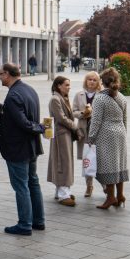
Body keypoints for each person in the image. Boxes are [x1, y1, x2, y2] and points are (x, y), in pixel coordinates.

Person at [0, 65, 47, 235]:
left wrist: (39, 128)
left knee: (21, 186)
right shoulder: (29, 90)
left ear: (8, 74)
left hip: (18, 148)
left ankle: (25, 224)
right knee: (33, 182)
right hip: (32, 147)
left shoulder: (13, 95)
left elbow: (23, 123)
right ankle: (38, 221)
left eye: (1, 73)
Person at [87, 68, 130, 211]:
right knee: (119, 164)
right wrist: (123, 133)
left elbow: (96, 121)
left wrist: (91, 138)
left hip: (106, 135)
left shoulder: (100, 98)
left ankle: (111, 197)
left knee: (108, 165)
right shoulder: (122, 97)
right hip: (121, 133)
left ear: (102, 82)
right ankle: (121, 195)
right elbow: (125, 119)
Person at [46, 75, 81, 206]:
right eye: (66, 85)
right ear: (58, 86)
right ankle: (63, 194)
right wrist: (75, 126)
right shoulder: (56, 99)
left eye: (69, 85)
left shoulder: (61, 98)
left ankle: (61, 191)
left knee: (63, 162)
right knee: (63, 162)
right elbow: (61, 118)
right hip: (61, 135)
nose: (69, 87)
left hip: (64, 134)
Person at [72, 72, 99, 198]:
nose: (92, 82)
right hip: (83, 131)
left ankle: (105, 186)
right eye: (89, 79)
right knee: (87, 160)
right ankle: (89, 186)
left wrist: (92, 114)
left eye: (94, 80)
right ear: (86, 81)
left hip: (97, 132)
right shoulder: (79, 95)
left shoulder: (101, 95)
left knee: (99, 159)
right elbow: (73, 112)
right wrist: (83, 113)